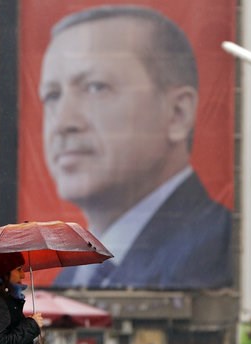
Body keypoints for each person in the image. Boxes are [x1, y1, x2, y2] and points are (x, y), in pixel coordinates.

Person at [39, 4, 232, 289]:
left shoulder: (218, 251)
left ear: (177, 113)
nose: (63, 122)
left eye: (95, 87)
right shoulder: (68, 278)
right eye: (52, 96)